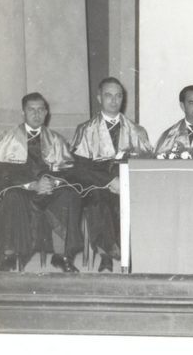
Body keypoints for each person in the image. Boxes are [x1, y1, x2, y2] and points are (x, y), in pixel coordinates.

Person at [0, 93, 83, 272]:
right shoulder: (8, 138)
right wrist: (31, 184)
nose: (36, 114)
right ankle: (10, 256)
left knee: (69, 195)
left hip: (50, 190)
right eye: (31, 110)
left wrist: (52, 181)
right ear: (23, 112)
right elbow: (1, 172)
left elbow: (70, 171)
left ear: (46, 113)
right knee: (12, 197)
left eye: (40, 110)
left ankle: (62, 256)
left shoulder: (56, 139)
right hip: (22, 189)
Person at [71, 77, 153, 272]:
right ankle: (106, 254)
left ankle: (134, 252)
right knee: (99, 200)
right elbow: (79, 169)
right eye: (109, 95)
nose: (114, 100)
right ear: (99, 97)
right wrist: (109, 181)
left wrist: (124, 183)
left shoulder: (137, 131)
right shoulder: (86, 129)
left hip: (128, 183)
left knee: (140, 200)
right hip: (96, 184)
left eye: (118, 96)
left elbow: (145, 164)